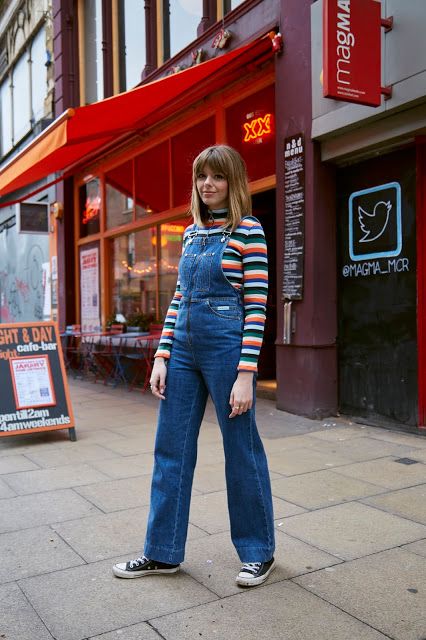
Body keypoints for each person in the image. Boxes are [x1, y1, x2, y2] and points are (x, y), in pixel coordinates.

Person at [113, 145, 275, 587]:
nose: (208, 185)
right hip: (183, 347)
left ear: (233, 182)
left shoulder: (250, 231)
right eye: (202, 176)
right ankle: (161, 552)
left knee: (240, 448)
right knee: (171, 449)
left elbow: (257, 307)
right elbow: (179, 298)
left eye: (217, 177)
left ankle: (259, 551)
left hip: (226, 345)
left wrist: (246, 374)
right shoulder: (189, 234)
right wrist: (163, 355)